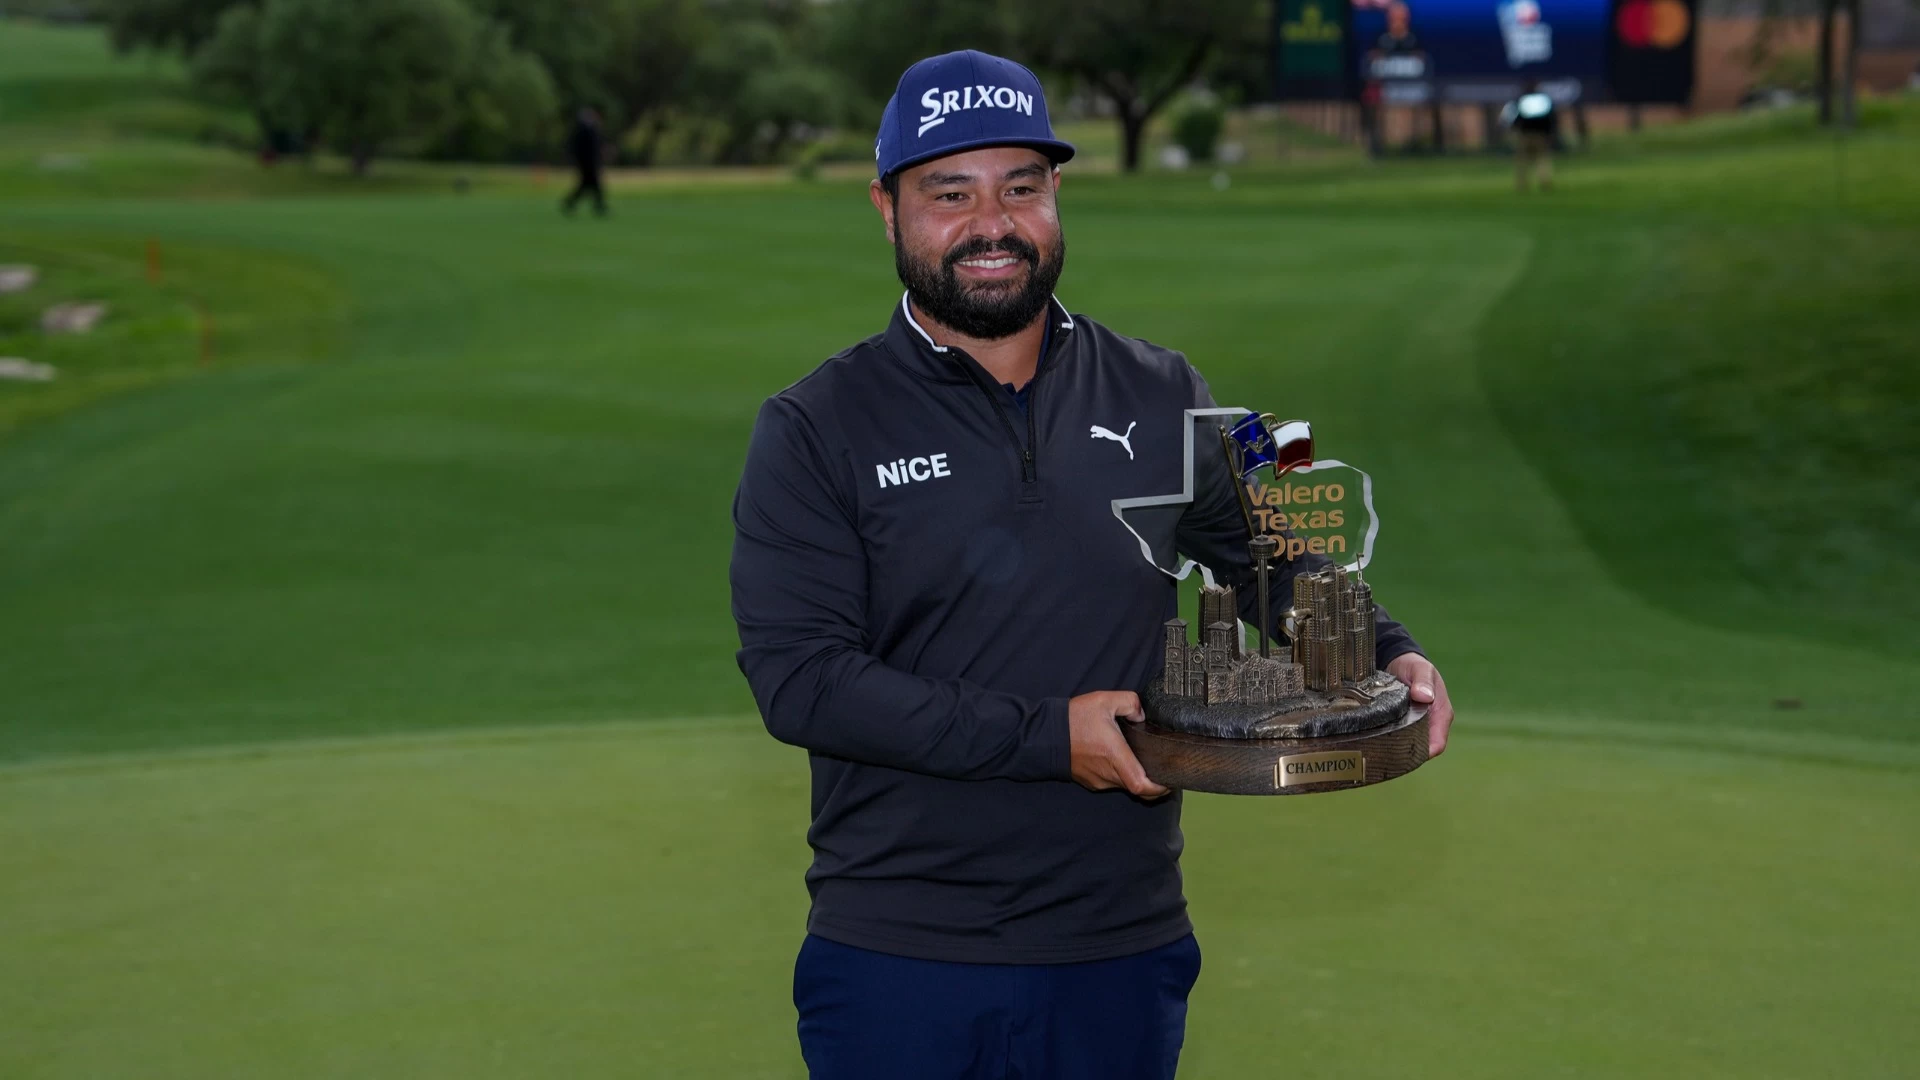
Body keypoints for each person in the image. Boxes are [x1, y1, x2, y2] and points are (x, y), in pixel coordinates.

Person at [729, 49, 1455, 1080]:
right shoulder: (813, 426)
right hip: (900, 954)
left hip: (1121, 945)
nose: (993, 224)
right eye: (951, 193)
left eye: (1021, 187)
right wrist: (1046, 738)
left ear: (1056, 195)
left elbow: (1278, 556)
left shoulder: (1166, 389)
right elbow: (801, 683)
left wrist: (1388, 652)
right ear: (887, 209)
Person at [1501, 81, 1558, 192]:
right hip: (1541, 135)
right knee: (1542, 159)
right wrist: (1550, 133)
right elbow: (1551, 118)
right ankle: (1544, 181)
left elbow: (1515, 117)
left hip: (1525, 135)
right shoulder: (1543, 100)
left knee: (1522, 161)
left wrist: (1514, 129)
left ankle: (1522, 184)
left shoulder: (1522, 100)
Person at [562, 106, 607, 216]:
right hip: (586, 163)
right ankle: (598, 206)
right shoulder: (582, 130)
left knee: (587, 185)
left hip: (591, 162)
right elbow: (577, 148)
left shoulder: (591, 129)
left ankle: (571, 202)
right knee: (591, 185)